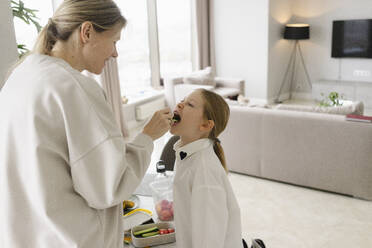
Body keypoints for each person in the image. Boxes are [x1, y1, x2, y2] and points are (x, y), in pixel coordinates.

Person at [0, 0, 172, 247]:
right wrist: (146, 137)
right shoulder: (74, 88)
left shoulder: (20, 75)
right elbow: (109, 187)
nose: (115, 53)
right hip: (72, 238)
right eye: (114, 41)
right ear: (87, 32)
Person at [170, 89, 244, 248]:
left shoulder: (203, 171)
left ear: (205, 125)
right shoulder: (186, 155)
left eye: (190, 104)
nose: (180, 104)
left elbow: (209, 241)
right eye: (183, 99)